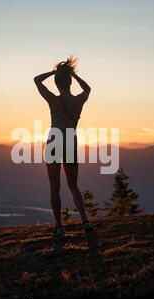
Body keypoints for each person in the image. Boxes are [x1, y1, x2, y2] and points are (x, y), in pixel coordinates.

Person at [34, 57, 94, 236]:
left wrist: (55, 72)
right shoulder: (78, 102)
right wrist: (73, 75)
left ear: (57, 83)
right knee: (73, 186)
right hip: (70, 144)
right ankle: (85, 221)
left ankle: (59, 226)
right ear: (69, 82)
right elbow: (88, 89)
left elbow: (37, 80)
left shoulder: (53, 100)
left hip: (53, 142)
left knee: (55, 186)